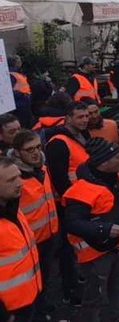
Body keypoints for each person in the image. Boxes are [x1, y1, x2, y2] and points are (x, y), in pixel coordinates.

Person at [61, 138, 119, 322]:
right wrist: (104, 229)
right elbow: (72, 223)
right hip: (96, 256)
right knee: (94, 299)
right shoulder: (81, 191)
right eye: (117, 157)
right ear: (104, 162)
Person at [10, 130, 59, 322]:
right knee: (31, 284)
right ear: (18, 152)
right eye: (29, 149)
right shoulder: (15, 178)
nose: (36, 152)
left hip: (48, 234)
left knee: (44, 278)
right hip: (29, 243)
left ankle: (42, 306)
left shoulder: (42, 168)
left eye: (38, 147)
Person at [0, 155, 42, 322]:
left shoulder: (13, 208)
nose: (20, 183)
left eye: (18, 176)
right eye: (11, 180)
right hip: (10, 311)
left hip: (28, 298)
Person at [9, 55, 34, 129]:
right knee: (23, 126)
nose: (21, 63)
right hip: (20, 105)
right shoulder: (12, 74)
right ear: (15, 63)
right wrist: (22, 94)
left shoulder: (17, 73)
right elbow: (10, 92)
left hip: (23, 103)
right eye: (19, 61)